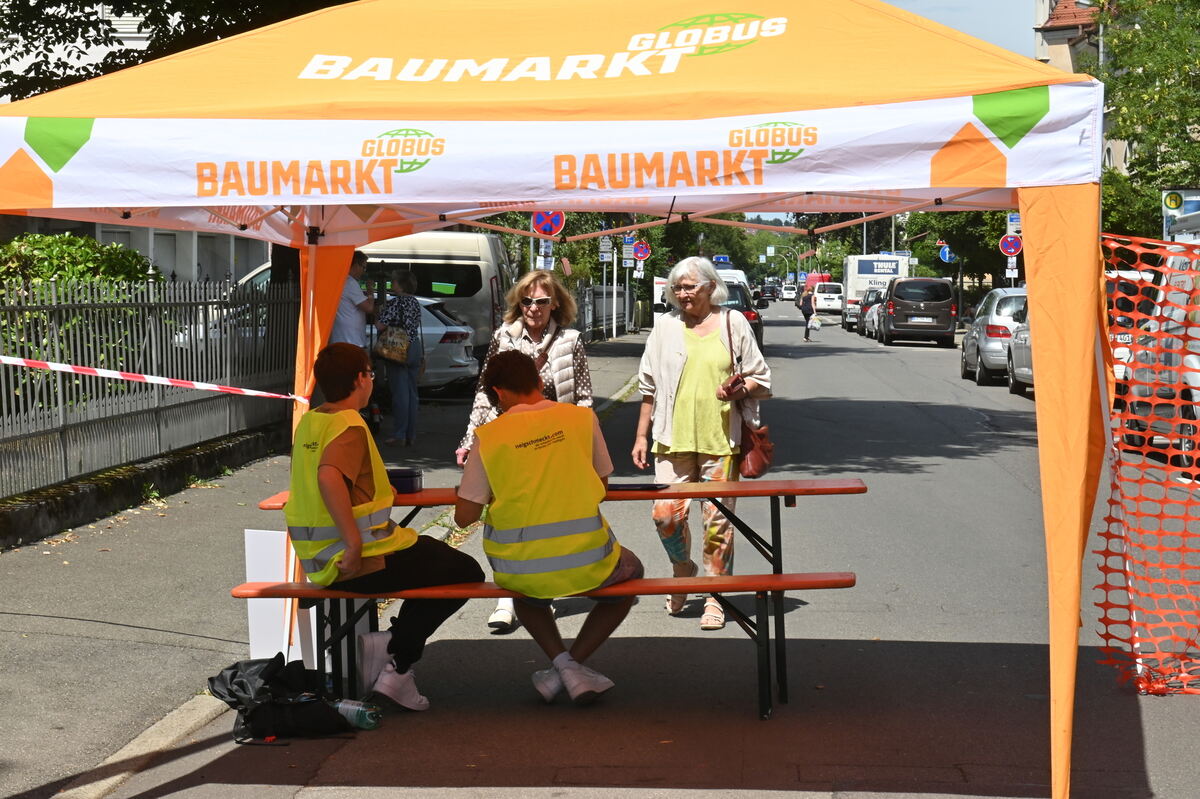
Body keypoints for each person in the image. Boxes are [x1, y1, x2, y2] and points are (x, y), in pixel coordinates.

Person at [285, 342, 484, 712]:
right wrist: (353, 545)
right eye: (371, 374)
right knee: (467, 573)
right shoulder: (349, 423)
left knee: (438, 564)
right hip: (362, 559)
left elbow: (330, 478)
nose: (373, 380)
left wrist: (376, 488)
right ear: (361, 378)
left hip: (319, 559)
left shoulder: (312, 421)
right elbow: (329, 477)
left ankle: (395, 653)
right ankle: (396, 655)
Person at [454, 350, 642, 706]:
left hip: (519, 567)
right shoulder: (581, 418)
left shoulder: (489, 436)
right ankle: (572, 665)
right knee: (633, 573)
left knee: (525, 594)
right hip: (589, 561)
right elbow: (601, 486)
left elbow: (464, 517)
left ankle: (562, 667)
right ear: (540, 382)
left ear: (498, 392)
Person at [631, 256, 771, 631]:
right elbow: (647, 386)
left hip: (720, 441)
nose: (682, 293)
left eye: (690, 286)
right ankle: (683, 570)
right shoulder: (665, 326)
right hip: (670, 440)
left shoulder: (733, 322)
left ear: (711, 286)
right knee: (665, 516)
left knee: (717, 523)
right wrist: (641, 435)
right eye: (677, 287)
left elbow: (760, 377)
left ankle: (715, 595)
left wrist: (740, 388)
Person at [455, 270, 594, 632]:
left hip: (554, 445)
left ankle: (543, 593)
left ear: (555, 303)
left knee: (546, 521)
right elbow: (485, 392)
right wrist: (470, 440)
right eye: (527, 301)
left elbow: (583, 398)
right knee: (507, 518)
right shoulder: (503, 337)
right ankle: (507, 596)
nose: (533, 308)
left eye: (541, 301)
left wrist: (582, 445)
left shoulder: (570, 341)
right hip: (510, 443)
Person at [375, 270, 425, 446]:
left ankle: (399, 434)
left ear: (401, 285)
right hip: (414, 346)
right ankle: (411, 434)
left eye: (394, 282)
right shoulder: (415, 302)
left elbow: (380, 325)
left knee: (400, 394)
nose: (392, 284)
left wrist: (377, 313)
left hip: (397, 348)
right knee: (412, 393)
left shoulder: (395, 303)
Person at [329, 251, 374, 348]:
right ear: (356, 265)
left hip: (341, 337)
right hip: (351, 340)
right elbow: (369, 308)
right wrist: (370, 291)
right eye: (363, 267)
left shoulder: (341, 280)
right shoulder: (350, 283)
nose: (364, 271)